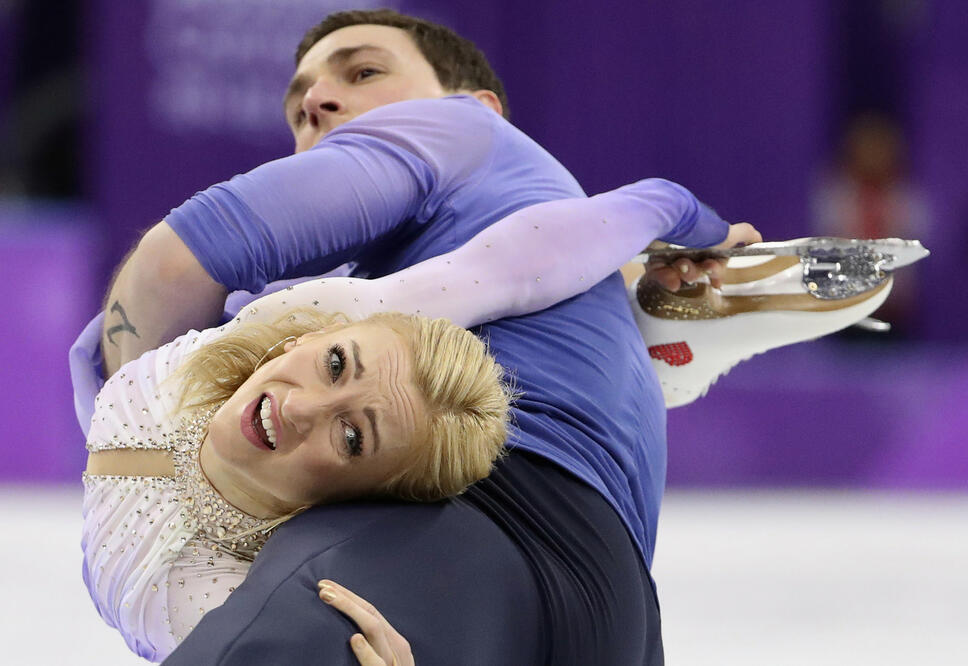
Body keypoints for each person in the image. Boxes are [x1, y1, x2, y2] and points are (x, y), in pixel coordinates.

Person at [72, 9, 759, 664]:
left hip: (486, 517)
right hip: (615, 604)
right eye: (298, 102)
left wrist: (152, 424)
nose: (317, 100)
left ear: (477, 105)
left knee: (304, 623)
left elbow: (174, 264)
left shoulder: (457, 135)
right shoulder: (353, 296)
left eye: (362, 73)